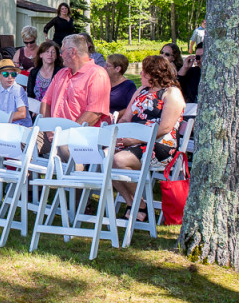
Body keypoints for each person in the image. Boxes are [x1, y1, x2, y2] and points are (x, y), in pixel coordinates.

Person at [112, 55, 185, 222]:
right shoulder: (141, 91)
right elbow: (126, 118)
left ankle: (138, 204)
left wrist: (133, 140)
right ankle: (137, 204)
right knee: (106, 157)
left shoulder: (171, 93)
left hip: (160, 145)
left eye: (145, 72)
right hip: (134, 143)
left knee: (119, 160)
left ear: (155, 73)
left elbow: (164, 128)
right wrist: (119, 134)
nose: (141, 74)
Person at [38, 34, 111, 160]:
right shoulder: (62, 73)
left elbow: (94, 113)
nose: (60, 55)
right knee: (21, 140)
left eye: (62, 51)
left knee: (62, 148)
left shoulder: (97, 74)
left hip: (83, 136)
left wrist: (66, 134)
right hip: (53, 132)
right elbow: (46, 102)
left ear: (72, 52)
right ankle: (25, 179)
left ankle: (75, 176)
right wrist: (49, 129)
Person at [0, 59, 33, 127]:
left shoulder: (18, 89)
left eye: (13, 74)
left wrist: (2, 119)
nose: (10, 77)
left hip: (20, 127)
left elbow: (22, 114)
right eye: (6, 74)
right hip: (3, 127)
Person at [105, 53, 137, 119]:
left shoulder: (129, 86)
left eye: (108, 65)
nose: (104, 67)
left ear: (117, 69)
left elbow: (131, 108)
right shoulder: (103, 82)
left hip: (117, 122)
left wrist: (114, 115)